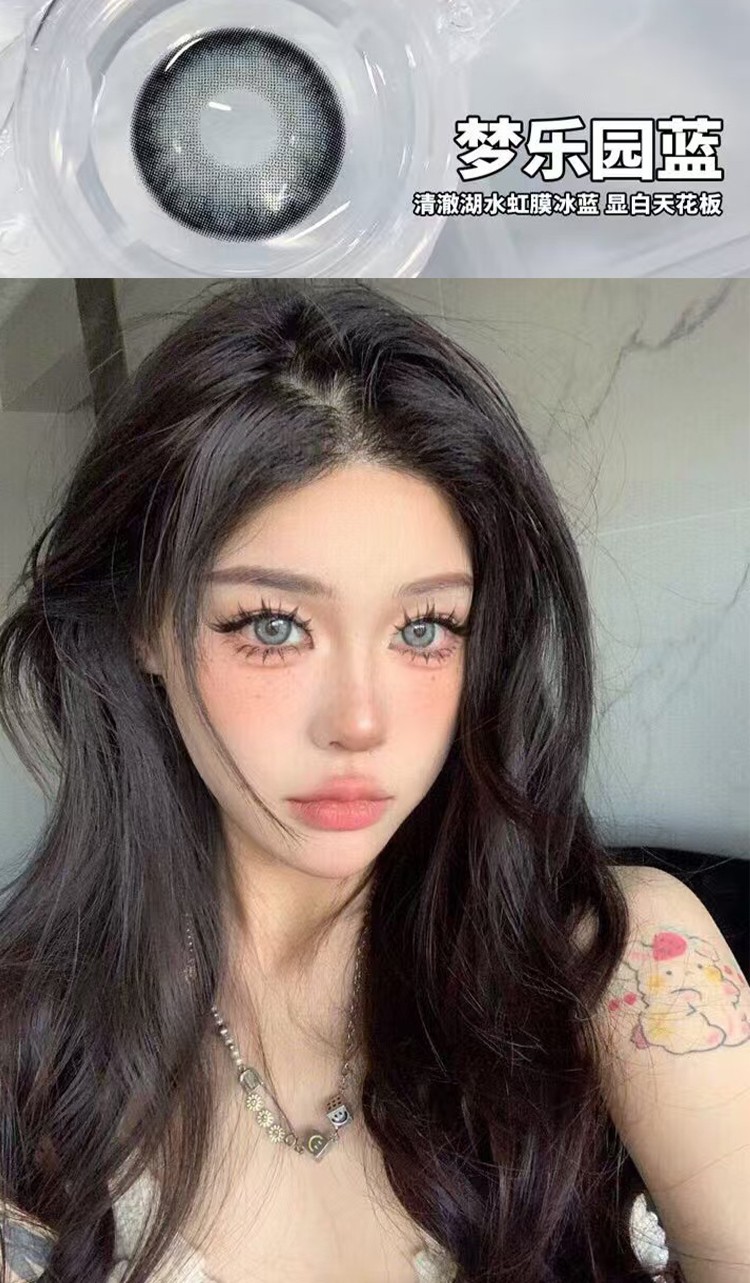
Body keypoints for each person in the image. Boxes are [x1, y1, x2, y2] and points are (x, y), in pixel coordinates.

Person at [0, 280, 747, 1283]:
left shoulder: (626, 969)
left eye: (424, 627)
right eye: (273, 625)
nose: (360, 720)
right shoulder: (30, 1055)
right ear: (147, 626)